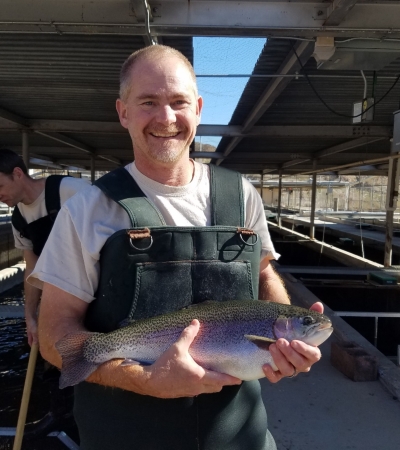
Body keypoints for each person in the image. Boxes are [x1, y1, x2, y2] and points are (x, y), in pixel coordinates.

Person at [29, 45, 323, 450]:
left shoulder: (241, 195)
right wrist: (144, 380)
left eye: (178, 102)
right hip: (124, 436)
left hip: (239, 437)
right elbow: (54, 338)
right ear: (123, 112)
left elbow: (263, 272)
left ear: (198, 109)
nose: (166, 118)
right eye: (148, 102)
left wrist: (287, 341)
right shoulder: (87, 210)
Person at [0, 148, 90, 436]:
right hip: (57, 298)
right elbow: (32, 269)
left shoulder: (71, 191)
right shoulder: (18, 220)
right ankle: (61, 416)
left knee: (91, 354)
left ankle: (91, 421)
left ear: (17, 173)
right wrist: (30, 316)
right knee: (54, 357)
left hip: (93, 292)